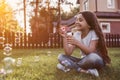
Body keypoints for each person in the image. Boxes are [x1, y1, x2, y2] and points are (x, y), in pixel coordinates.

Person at [57, 11, 111, 77]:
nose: (76, 22)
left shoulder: (93, 33)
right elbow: (68, 53)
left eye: (80, 20)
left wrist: (77, 42)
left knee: (92, 57)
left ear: (89, 24)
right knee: (61, 57)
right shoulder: (77, 34)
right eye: (76, 20)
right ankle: (83, 70)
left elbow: (90, 52)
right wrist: (64, 37)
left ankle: (68, 66)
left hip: (96, 60)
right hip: (84, 61)